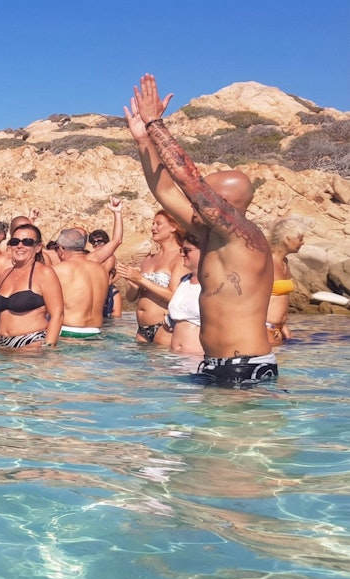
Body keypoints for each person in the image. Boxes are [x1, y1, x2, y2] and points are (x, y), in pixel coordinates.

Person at [128, 73, 276, 385]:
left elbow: (187, 181)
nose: (195, 203)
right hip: (213, 365)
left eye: (205, 196)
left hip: (245, 368)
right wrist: (143, 141)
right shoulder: (210, 235)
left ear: (223, 203)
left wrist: (156, 124)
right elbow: (167, 192)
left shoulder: (245, 238)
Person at [0, 224, 63, 349]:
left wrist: (48, 349)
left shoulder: (44, 273)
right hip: (3, 345)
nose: (20, 245)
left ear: (38, 247)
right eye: (15, 241)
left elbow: (57, 314)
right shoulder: (6, 274)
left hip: (31, 343)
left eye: (27, 242)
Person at [114, 210, 183, 346]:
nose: (153, 228)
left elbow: (174, 296)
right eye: (152, 224)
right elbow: (131, 298)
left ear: (174, 227)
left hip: (164, 328)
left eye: (158, 224)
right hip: (141, 330)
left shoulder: (180, 257)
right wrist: (133, 282)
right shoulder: (149, 259)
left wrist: (141, 279)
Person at [52, 228, 109, 339]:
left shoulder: (58, 270)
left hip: (67, 333)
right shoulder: (100, 270)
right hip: (95, 334)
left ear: (61, 249)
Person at [266, 217, 308, 345]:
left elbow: (281, 299)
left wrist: (283, 326)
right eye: (300, 239)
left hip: (278, 330)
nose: (303, 243)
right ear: (287, 239)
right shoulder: (266, 262)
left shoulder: (285, 262)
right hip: (264, 329)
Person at [167, 233, 204, 356]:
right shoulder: (184, 281)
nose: (182, 254)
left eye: (187, 251)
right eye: (181, 250)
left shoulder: (213, 285)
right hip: (174, 357)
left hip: (197, 359)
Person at [89, 229, 122, 319]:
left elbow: (104, 277)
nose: (96, 244)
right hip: (99, 292)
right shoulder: (90, 257)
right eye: (93, 242)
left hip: (108, 294)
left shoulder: (109, 257)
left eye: (99, 241)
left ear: (106, 242)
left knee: (112, 323)